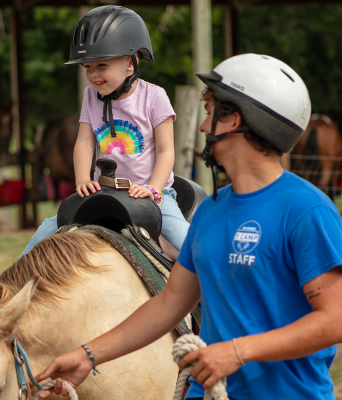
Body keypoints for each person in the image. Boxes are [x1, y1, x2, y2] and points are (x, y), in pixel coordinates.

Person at [31, 53, 342, 400]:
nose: (203, 127)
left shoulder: (306, 210)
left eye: (210, 114)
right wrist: (87, 356)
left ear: (235, 120)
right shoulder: (210, 211)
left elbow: (335, 320)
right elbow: (168, 305)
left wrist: (236, 351)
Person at [22, 6, 190, 255]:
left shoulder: (155, 97)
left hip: (152, 192)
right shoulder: (90, 96)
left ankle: (218, 284)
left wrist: (152, 189)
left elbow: (166, 152)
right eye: (88, 67)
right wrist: (82, 180)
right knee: (47, 231)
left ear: (131, 63)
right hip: (105, 190)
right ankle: (8, 288)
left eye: (101, 65)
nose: (94, 75)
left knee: (186, 240)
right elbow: (84, 143)